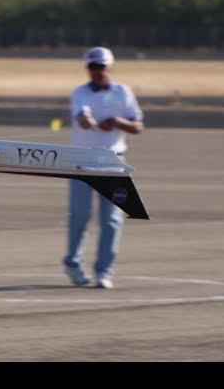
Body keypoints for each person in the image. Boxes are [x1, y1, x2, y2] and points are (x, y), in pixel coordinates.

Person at [63, 47, 144, 289]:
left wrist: (119, 122)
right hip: (81, 160)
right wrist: (86, 121)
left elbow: (138, 125)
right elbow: (81, 116)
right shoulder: (80, 93)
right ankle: (73, 263)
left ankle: (104, 270)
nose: (98, 72)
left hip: (112, 162)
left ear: (110, 66)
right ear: (87, 69)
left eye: (102, 66)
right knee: (79, 216)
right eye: (93, 67)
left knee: (111, 220)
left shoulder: (122, 91)